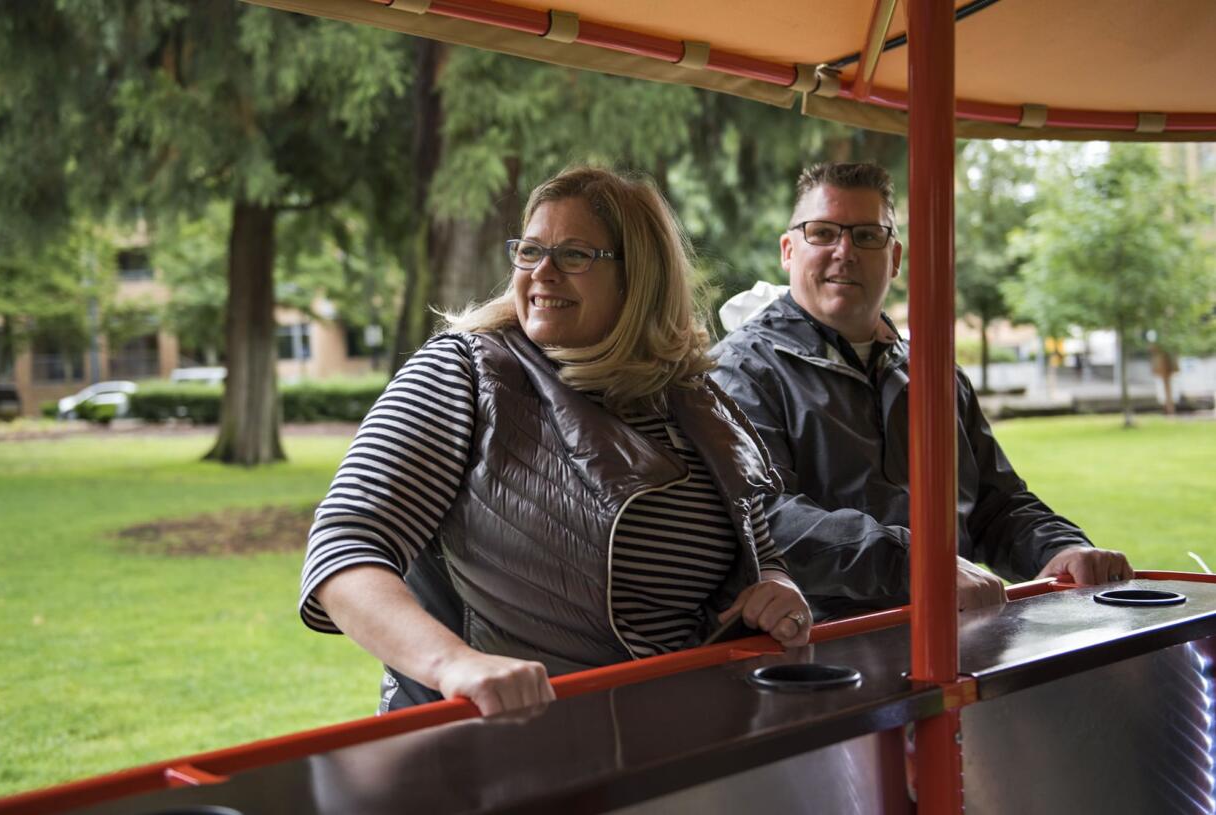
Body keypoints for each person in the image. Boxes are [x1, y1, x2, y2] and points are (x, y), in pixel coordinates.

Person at [300, 166, 812, 716]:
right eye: (529, 251)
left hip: (675, 738)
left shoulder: (693, 399)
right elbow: (344, 549)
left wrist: (780, 590)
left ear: (638, 276)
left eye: (573, 255)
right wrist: (453, 664)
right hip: (504, 746)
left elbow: (761, 555)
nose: (542, 271)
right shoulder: (465, 371)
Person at [711, 161, 1132, 621]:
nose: (845, 251)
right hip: (823, 650)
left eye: (868, 235)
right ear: (788, 250)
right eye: (823, 232)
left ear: (894, 257)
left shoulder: (934, 373)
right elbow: (764, 518)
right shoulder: (743, 371)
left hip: (960, 636)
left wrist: (1062, 547)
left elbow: (996, 505)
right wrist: (917, 564)